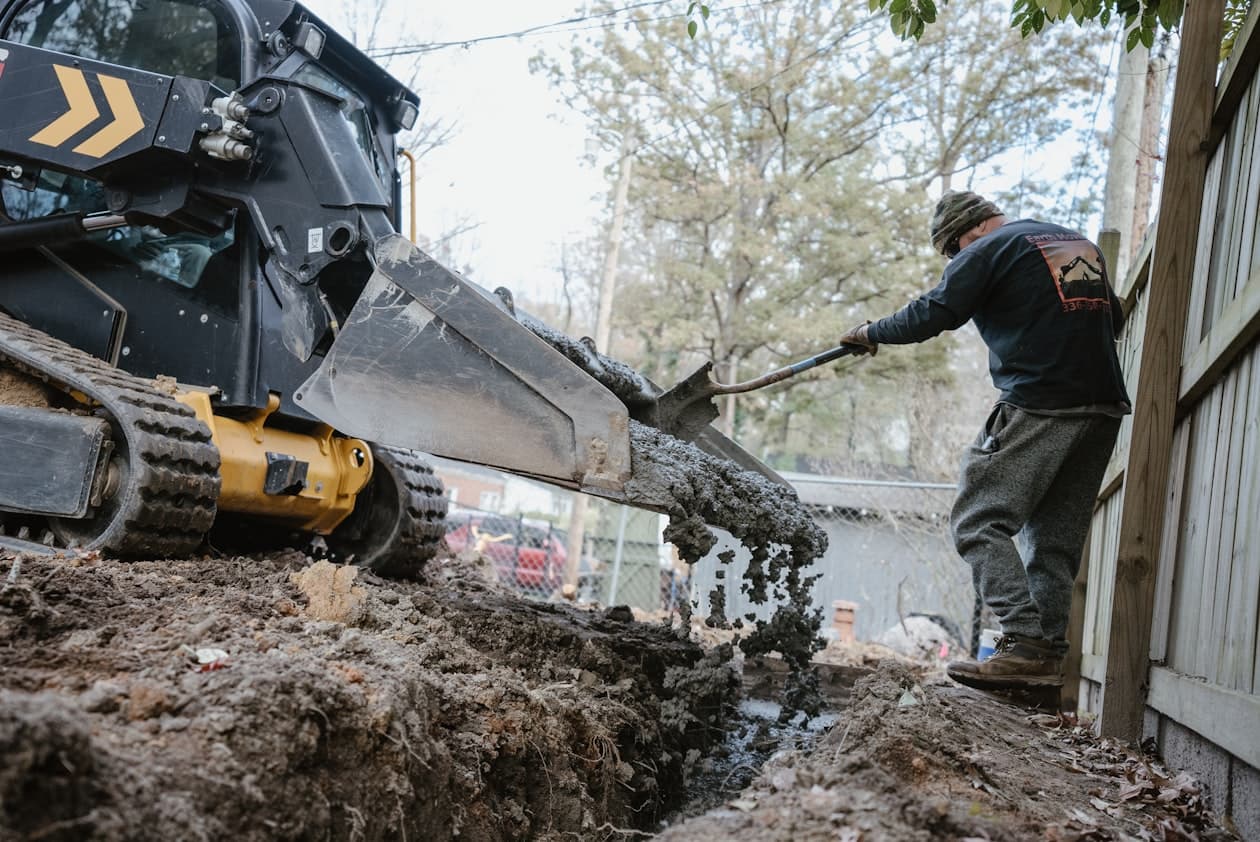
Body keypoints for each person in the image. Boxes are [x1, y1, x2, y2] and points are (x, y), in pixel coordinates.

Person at [839, 190, 1130, 691]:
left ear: (964, 235)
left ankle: (1022, 640)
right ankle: (1041, 665)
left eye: (952, 253)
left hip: (1041, 402)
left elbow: (936, 311)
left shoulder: (986, 249)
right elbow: (1115, 316)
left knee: (978, 520)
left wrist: (871, 331)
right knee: (1053, 542)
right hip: (1102, 408)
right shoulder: (1072, 243)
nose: (957, 261)